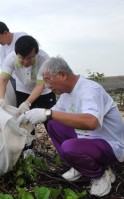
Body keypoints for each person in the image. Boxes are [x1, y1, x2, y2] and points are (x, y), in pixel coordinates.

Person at [18, 56, 124, 197]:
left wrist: (48, 113)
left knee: (68, 146)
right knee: (52, 123)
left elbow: (91, 122)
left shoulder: (89, 90)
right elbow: (54, 113)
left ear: (63, 75)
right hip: (89, 140)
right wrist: (28, 117)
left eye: (49, 80)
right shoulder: (67, 94)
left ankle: (100, 175)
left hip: (111, 146)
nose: (48, 86)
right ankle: (80, 165)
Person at [0, 35, 56, 153]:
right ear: (16, 54)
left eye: (31, 58)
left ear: (36, 54)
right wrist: (1, 99)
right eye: (22, 58)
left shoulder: (44, 59)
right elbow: (2, 80)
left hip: (44, 92)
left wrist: (28, 102)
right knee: (24, 120)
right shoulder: (11, 58)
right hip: (23, 89)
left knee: (50, 120)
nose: (27, 62)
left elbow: (40, 85)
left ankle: (60, 146)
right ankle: (28, 149)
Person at [0, 21, 27, 89]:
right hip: (14, 79)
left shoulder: (21, 36)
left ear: (5, 33)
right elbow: (3, 67)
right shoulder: (2, 49)